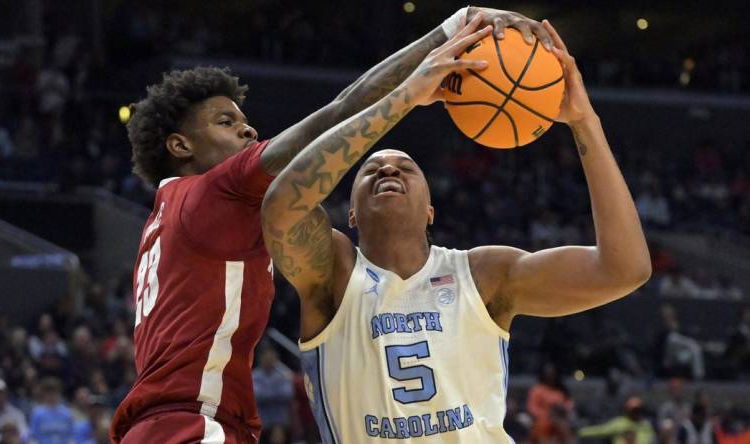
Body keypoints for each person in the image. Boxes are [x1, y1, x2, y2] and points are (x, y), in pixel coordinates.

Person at [110, 6, 554, 444]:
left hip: (165, 426)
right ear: (180, 145)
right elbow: (339, 110)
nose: (248, 133)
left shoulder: (167, 219)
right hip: (194, 425)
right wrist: (447, 33)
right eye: (226, 123)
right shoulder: (213, 191)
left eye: (247, 123)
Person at [261, 18, 651, 442]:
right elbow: (281, 205)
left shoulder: (484, 274)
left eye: (405, 167)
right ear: (350, 214)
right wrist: (404, 97)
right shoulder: (332, 273)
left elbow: (624, 269)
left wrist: (584, 121)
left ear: (431, 210)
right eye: (370, 169)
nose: (388, 167)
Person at [579, 397, 656, 444]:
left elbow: (650, 439)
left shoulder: (645, 425)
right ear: (627, 410)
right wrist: (579, 432)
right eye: (633, 410)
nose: (636, 412)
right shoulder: (619, 422)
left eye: (638, 410)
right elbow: (600, 430)